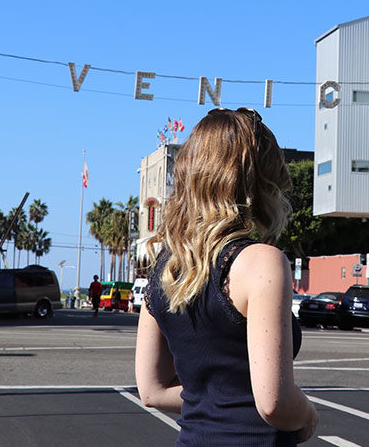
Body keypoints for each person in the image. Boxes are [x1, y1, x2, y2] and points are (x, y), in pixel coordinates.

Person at [135, 108, 318, 445]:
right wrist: (307, 414)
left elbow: (151, 391)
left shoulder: (166, 268)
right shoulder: (262, 262)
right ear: (260, 182)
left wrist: (210, 400)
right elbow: (274, 404)